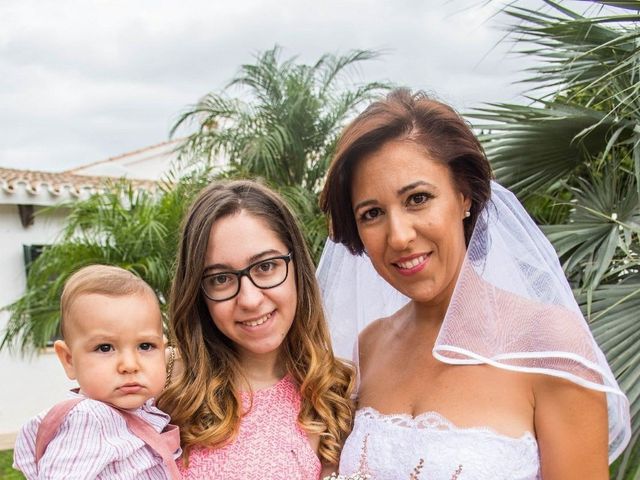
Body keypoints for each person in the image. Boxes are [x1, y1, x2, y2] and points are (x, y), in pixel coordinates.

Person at [318, 89, 631, 480]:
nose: (398, 236)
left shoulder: (548, 344)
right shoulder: (370, 346)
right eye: (372, 213)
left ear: (463, 197)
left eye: (417, 198)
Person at [157, 180, 354, 479]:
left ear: (296, 266)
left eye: (265, 267)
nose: (249, 299)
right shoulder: (163, 378)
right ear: (199, 292)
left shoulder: (334, 392)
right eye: (221, 279)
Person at [13, 264, 181, 479]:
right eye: (105, 348)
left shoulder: (141, 407)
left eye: (145, 346)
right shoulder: (89, 419)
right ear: (69, 360)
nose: (130, 365)